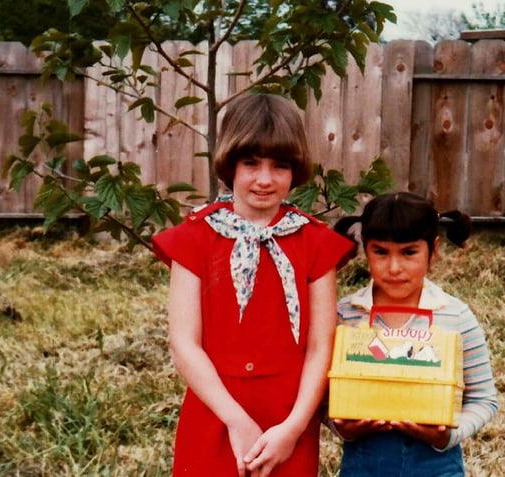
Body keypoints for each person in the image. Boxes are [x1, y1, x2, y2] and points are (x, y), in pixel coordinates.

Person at [152, 93, 356, 476]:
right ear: (230, 165)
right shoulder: (195, 237)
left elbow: (320, 347)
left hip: (287, 419)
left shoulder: (314, 242)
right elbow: (184, 343)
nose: (264, 179)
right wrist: (236, 420)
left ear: (295, 169)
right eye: (251, 163)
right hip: (215, 410)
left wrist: (294, 428)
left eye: (279, 166)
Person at [329, 192, 498, 477]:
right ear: (364, 249)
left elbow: (484, 399)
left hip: (436, 465)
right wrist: (340, 426)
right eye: (380, 252)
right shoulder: (345, 314)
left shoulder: (455, 316)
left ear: (433, 250)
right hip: (364, 465)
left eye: (409, 252)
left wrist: (447, 436)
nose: (394, 268)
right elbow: (322, 398)